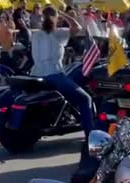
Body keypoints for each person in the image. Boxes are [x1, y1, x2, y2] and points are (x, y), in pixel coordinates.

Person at [31, 7, 92, 139]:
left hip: (36, 74)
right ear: (56, 18)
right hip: (54, 75)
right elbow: (77, 27)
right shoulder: (58, 33)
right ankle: (90, 136)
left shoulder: (36, 35)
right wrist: (63, 14)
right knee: (85, 98)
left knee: (71, 82)